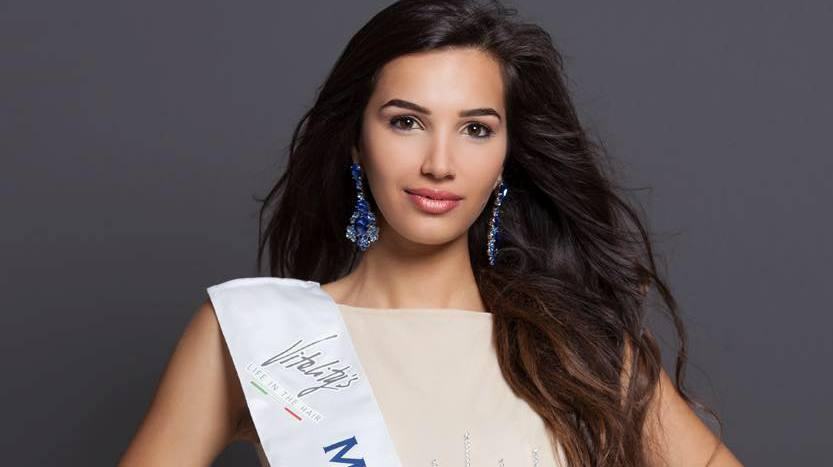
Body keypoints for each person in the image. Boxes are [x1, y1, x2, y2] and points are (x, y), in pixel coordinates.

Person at [119, 1, 743, 465]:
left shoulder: (581, 353)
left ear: (506, 156)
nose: (440, 163)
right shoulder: (254, 335)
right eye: (406, 122)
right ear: (356, 141)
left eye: (476, 129)